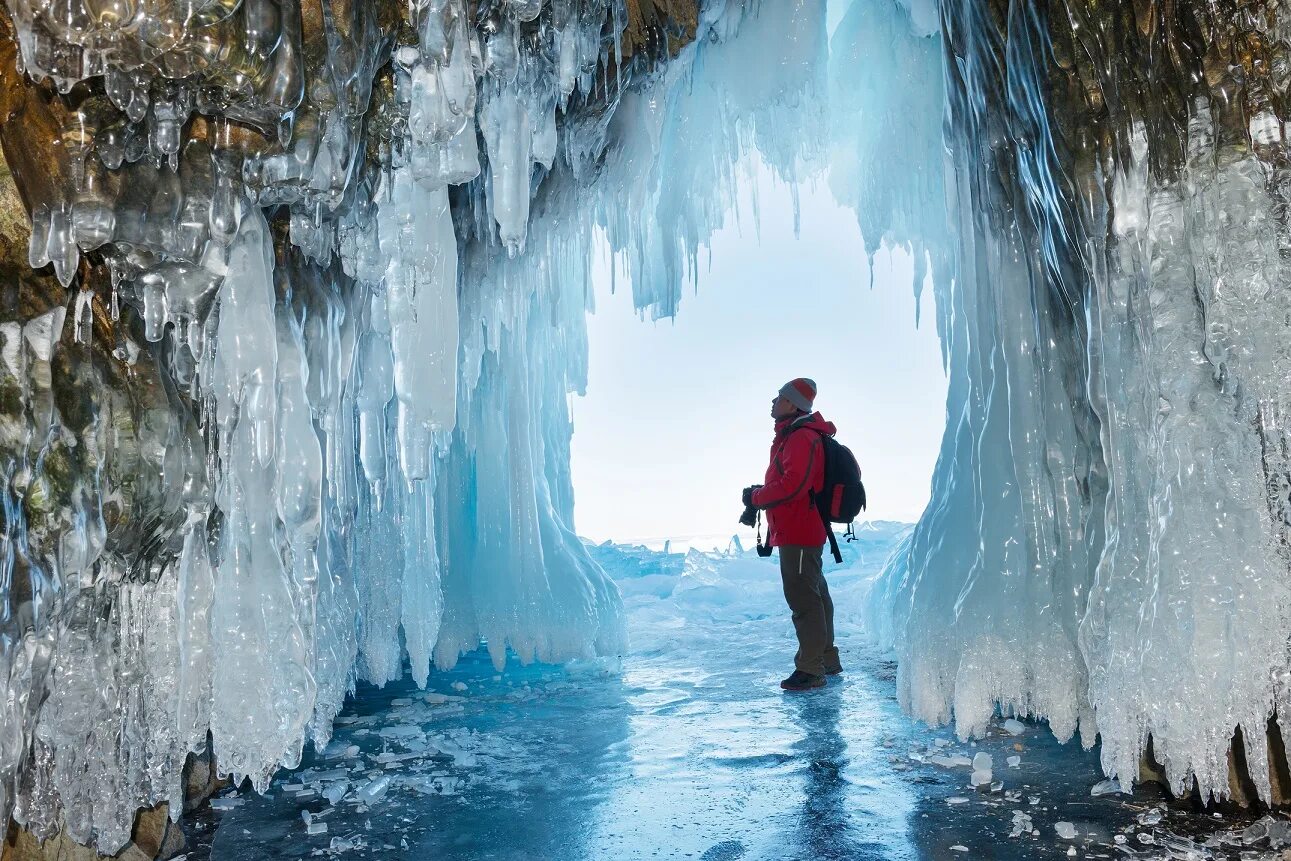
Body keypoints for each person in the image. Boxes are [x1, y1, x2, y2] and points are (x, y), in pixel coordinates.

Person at [743, 378, 842, 691]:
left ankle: (811, 670)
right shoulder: (797, 435)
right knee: (815, 592)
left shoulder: (800, 437)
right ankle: (826, 659)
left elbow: (794, 485)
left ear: (792, 404)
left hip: (799, 529)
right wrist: (762, 493)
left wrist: (756, 498)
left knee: (804, 598)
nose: (773, 402)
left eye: (779, 397)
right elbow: (796, 482)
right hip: (802, 527)